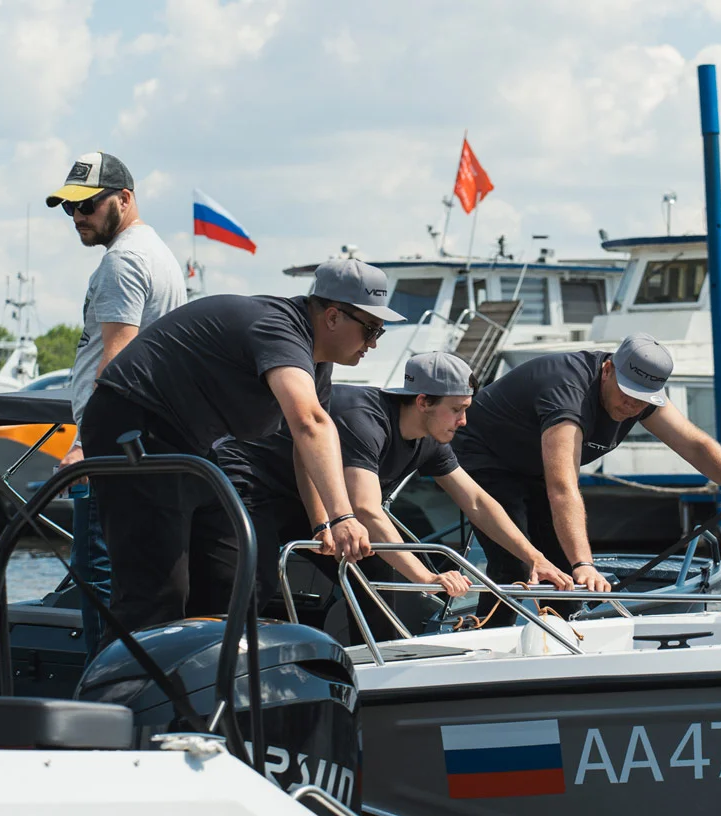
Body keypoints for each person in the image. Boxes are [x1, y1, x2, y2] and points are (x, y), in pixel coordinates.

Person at [79, 258, 404, 644]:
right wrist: (344, 515)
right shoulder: (278, 327)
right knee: (156, 592)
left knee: (236, 575)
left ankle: (209, 679)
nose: (374, 343)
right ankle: (125, 695)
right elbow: (310, 422)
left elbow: (305, 446)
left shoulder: (315, 362)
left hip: (189, 443)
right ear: (332, 317)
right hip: (133, 424)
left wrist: (323, 523)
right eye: (371, 329)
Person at [217, 351, 574, 641]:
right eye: (457, 409)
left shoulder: (431, 440)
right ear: (423, 402)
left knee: (379, 574)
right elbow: (366, 512)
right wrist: (426, 577)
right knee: (255, 580)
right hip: (254, 483)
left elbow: (477, 502)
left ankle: (373, 673)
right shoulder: (364, 420)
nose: (464, 421)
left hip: (313, 503)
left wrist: (535, 557)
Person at [452, 333, 721, 624]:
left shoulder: (640, 396)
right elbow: (563, 488)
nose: (632, 407)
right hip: (485, 456)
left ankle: (565, 640)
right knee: (517, 560)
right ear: (607, 370)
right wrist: (585, 563)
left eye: (642, 400)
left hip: (532, 466)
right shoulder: (568, 393)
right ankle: (477, 640)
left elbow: (694, 444)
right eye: (627, 394)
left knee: (563, 569)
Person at [45, 150, 187, 656]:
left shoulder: (122, 261)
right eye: (69, 209)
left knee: (101, 590)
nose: (77, 218)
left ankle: (101, 702)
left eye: (87, 206)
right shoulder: (157, 253)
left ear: (124, 199)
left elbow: (117, 366)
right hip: (141, 448)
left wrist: (86, 445)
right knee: (133, 591)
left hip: (111, 454)